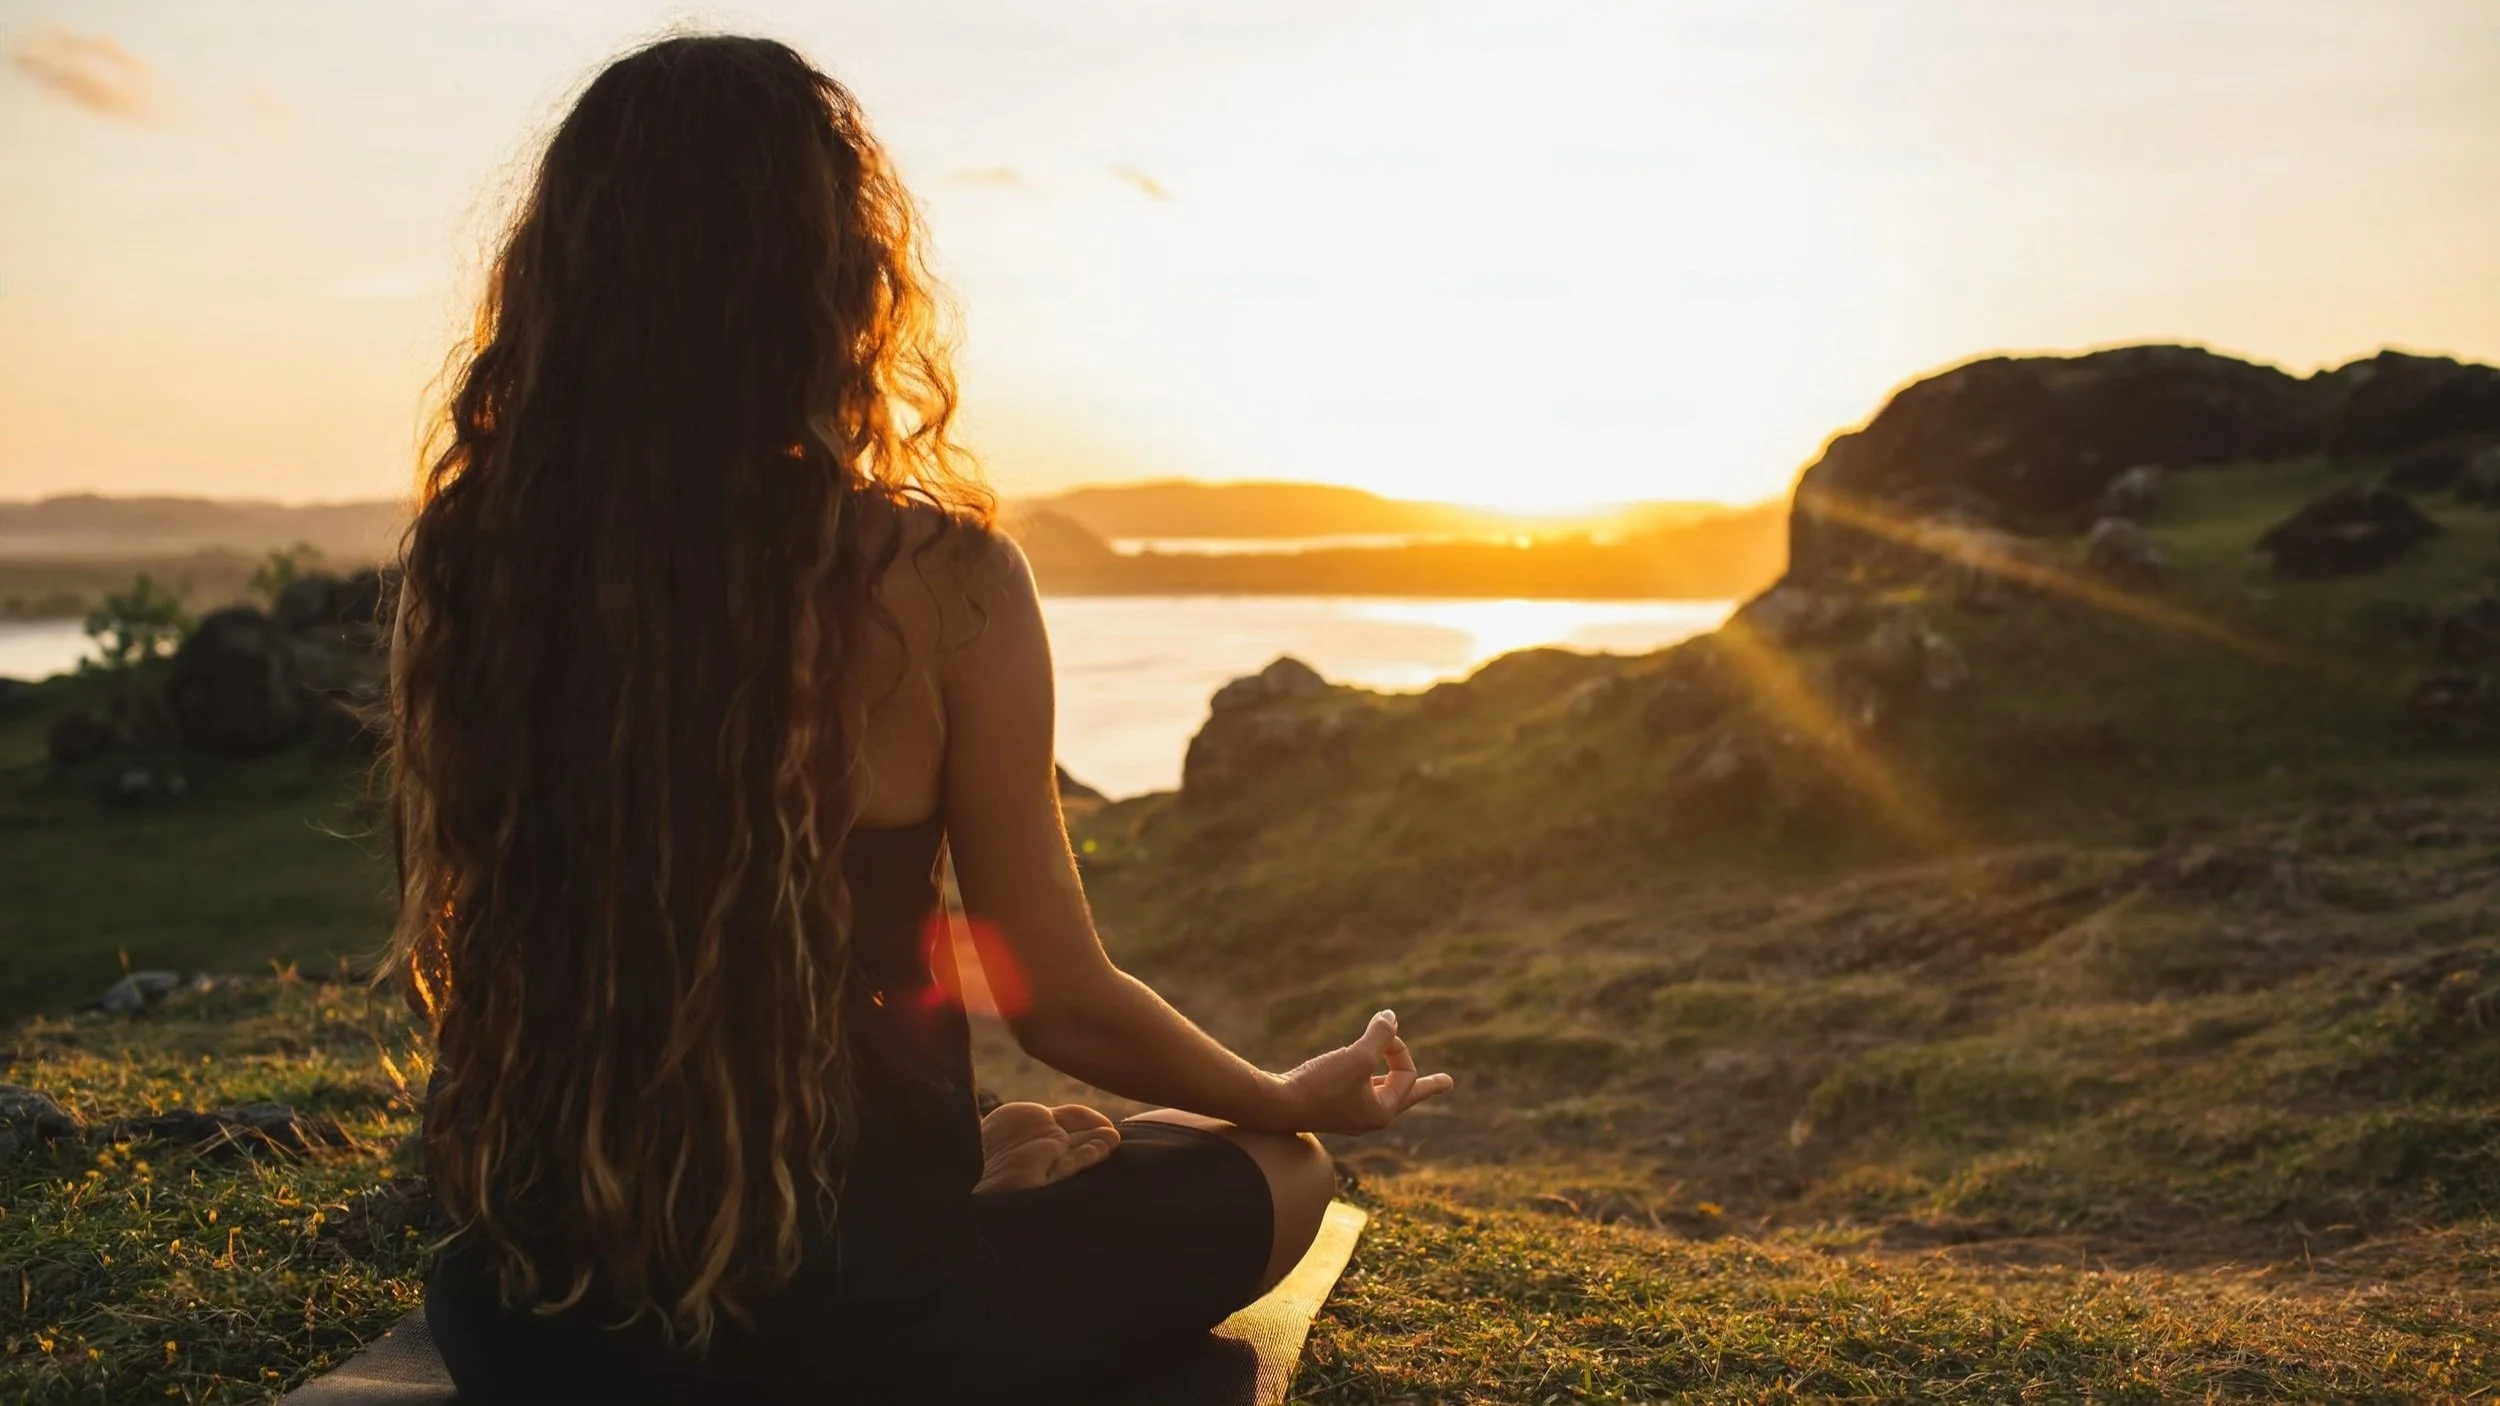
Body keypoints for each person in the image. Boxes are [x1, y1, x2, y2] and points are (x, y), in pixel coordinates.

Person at [384, 33, 1451, 1405]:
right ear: (835, 276)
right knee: (1274, 1172)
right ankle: (949, 1200)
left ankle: (952, 1180)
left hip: (538, 1319)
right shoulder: (941, 583)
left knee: (1080, 1149)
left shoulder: (470, 562)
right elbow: (1059, 999)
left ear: (567, 281)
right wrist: (1292, 1098)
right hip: (869, 1323)